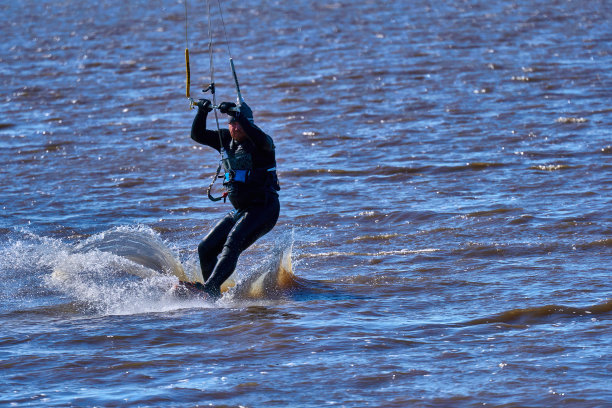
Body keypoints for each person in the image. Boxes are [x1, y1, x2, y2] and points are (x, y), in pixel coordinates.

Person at [184, 99, 280, 299]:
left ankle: (209, 288)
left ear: (249, 124)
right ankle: (214, 295)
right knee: (206, 249)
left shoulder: (262, 143)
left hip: (264, 209)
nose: (235, 127)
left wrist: (238, 115)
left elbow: (255, 134)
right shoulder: (225, 139)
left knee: (234, 240)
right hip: (240, 211)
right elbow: (197, 135)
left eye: (239, 123)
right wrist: (203, 111)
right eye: (232, 123)